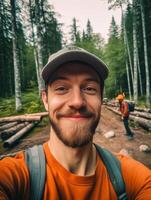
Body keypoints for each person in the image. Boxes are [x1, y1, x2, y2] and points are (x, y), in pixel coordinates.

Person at [0, 46, 151, 200]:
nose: (77, 102)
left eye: (90, 89)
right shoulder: (14, 174)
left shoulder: (133, 178)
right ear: (45, 99)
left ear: (100, 98)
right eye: (61, 88)